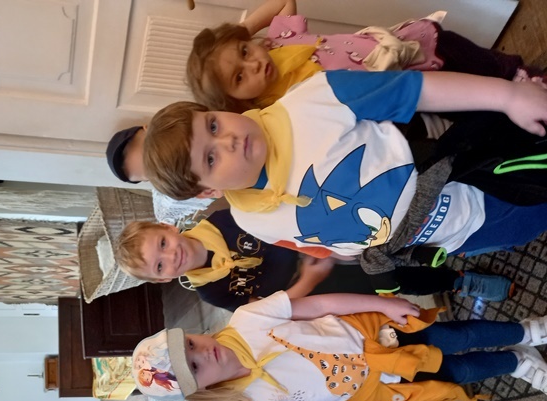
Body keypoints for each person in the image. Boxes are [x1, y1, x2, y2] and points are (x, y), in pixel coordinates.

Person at [141, 70, 547, 291]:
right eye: (211, 158)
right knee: (524, 231)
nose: (228, 139)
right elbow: (316, 246)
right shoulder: (250, 221)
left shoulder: (312, 101)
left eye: (212, 125)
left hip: (482, 178)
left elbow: (415, 90)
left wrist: (507, 96)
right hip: (454, 236)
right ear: (209, 191)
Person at [131, 290, 547, 401]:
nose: (203, 352)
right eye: (195, 367)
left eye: (191, 344)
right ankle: (516, 363)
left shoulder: (247, 319)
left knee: (458, 338)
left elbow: (320, 305)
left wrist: (381, 305)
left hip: (378, 338)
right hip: (376, 388)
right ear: (202, 391)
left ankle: (524, 333)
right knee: (459, 373)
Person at [187, 0, 545, 113]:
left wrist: (243, 31)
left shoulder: (278, 43)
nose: (253, 64)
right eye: (239, 77)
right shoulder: (277, 107)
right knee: (467, 97)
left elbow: (283, 1)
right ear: (237, 101)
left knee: (470, 55)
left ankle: (517, 75)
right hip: (404, 85)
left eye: (245, 52)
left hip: (408, 45)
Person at [114, 212, 513, 307]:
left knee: (392, 246)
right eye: (160, 265)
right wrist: (308, 281)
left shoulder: (223, 219)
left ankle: (460, 242)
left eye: (162, 244)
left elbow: (282, 221)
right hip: (313, 286)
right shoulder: (210, 293)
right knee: (389, 283)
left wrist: (315, 250)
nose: (171, 255)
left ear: (167, 227)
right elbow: (266, 310)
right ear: (163, 279)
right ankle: (459, 282)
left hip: (319, 242)